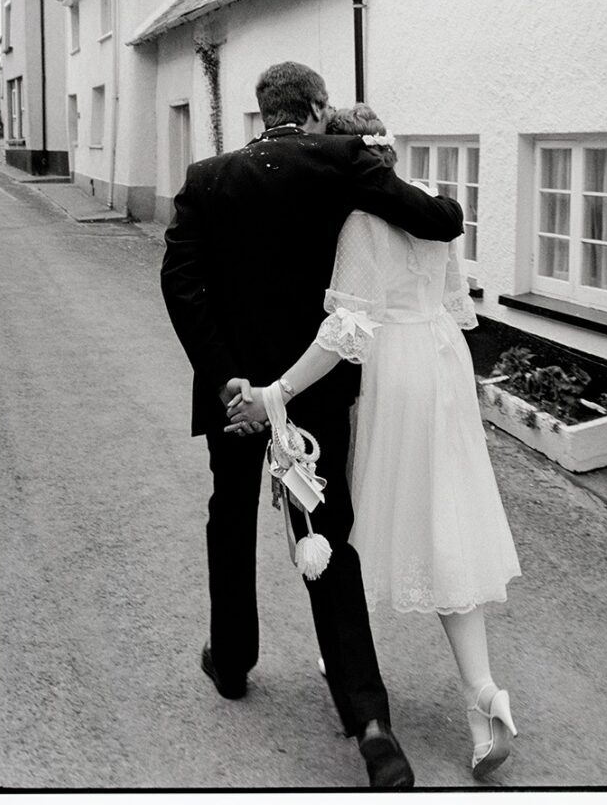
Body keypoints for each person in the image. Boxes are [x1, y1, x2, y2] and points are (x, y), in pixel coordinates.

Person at [160, 63, 463, 789]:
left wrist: (229, 375)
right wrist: (441, 199)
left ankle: (230, 663)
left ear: (261, 113)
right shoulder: (343, 162)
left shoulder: (206, 177)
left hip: (236, 396)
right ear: (320, 109)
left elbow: (181, 281)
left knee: (228, 517)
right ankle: (369, 723)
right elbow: (438, 221)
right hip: (312, 394)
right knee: (327, 541)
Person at [226, 105, 521, 779]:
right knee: (448, 526)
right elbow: (454, 306)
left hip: (399, 375)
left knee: (358, 524)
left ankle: (344, 661)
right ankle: (482, 696)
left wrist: (278, 392)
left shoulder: (362, 222)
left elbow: (347, 333)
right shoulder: (428, 207)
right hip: (447, 367)